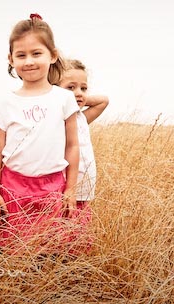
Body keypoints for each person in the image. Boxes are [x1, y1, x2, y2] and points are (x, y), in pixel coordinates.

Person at [0, 14, 79, 254]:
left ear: (53, 55)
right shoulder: (5, 102)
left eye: (36, 53)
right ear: (11, 59)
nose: (29, 61)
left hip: (52, 187)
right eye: (21, 55)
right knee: (14, 251)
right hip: (13, 186)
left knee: (50, 250)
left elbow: (72, 146)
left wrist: (70, 188)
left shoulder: (63, 99)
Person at [57, 59, 109, 252]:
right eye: (70, 87)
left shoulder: (81, 117)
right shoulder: (58, 119)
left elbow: (104, 100)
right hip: (66, 187)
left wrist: (80, 97)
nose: (79, 92)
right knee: (62, 231)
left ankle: (75, 265)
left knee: (80, 235)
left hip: (84, 188)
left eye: (83, 88)